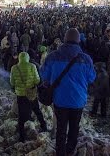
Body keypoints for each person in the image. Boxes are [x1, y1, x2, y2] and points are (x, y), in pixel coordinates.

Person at [41, 28, 96, 156]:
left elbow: (44, 76)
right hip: (78, 101)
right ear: (78, 41)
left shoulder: (52, 56)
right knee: (74, 129)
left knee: (61, 129)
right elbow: (92, 78)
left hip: (60, 101)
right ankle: (70, 151)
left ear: (64, 39)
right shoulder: (86, 59)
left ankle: (60, 153)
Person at [10, 52, 47, 142]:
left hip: (20, 95)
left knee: (21, 116)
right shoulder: (32, 66)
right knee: (37, 111)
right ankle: (44, 126)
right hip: (31, 94)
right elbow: (37, 80)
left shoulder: (14, 68)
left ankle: (22, 137)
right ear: (28, 58)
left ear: (19, 58)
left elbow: (12, 83)